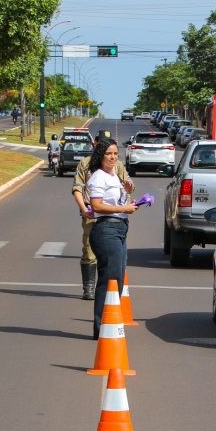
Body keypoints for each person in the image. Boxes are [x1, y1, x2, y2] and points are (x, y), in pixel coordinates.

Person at [86, 138, 139, 339]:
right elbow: (97, 206)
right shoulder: (98, 177)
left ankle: (107, 323)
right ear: (100, 156)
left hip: (119, 229)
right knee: (109, 280)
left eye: (116, 153)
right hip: (107, 230)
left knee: (117, 278)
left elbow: (118, 201)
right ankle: (101, 328)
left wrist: (127, 192)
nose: (113, 157)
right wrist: (123, 208)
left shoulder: (113, 175)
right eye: (109, 153)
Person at [72, 132, 132, 300]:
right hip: (92, 213)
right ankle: (89, 287)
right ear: (96, 145)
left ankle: (109, 292)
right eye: (102, 145)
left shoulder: (117, 165)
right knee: (89, 251)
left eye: (114, 152)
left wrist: (129, 189)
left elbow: (127, 186)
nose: (112, 156)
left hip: (116, 215)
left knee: (115, 261)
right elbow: (77, 188)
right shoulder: (85, 164)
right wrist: (84, 208)